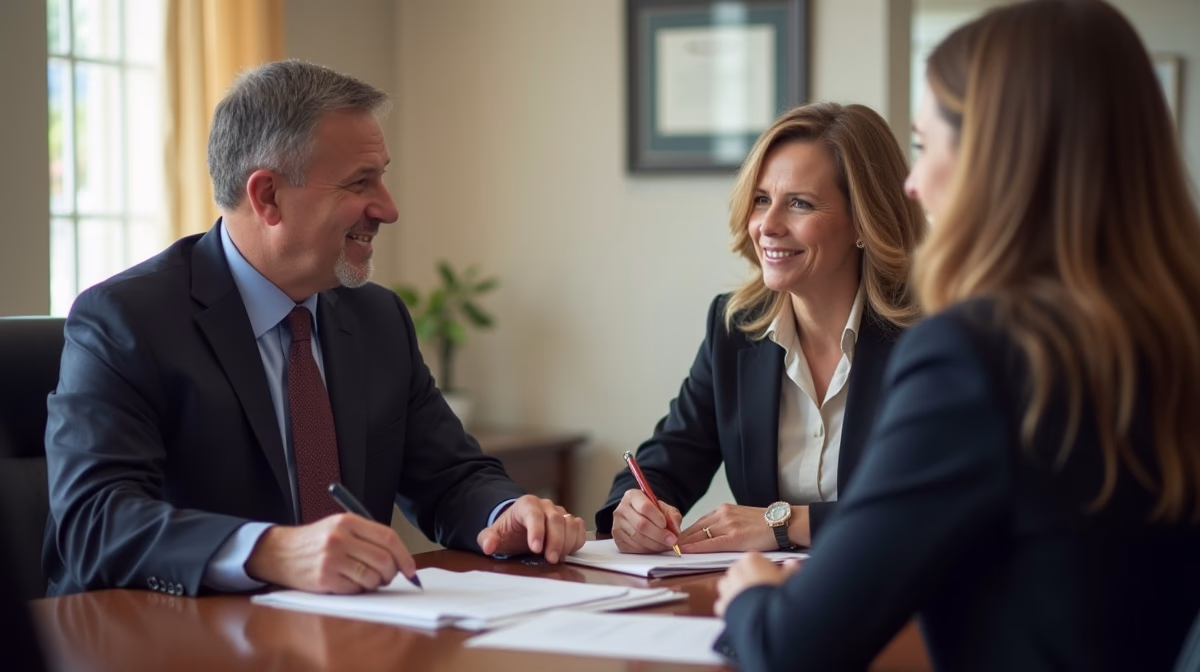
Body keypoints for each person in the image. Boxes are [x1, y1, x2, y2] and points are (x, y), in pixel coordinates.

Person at [713, 2, 1200, 670]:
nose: (911, 185)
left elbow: (791, 649)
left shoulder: (980, 355)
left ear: (996, 158)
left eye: (922, 146)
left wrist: (752, 596)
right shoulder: (1166, 336)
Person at [42, 59, 585, 597]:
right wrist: (271, 550)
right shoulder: (125, 321)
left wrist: (508, 511)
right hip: (171, 641)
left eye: (383, 177)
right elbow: (95, 520)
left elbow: (451, 475)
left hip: (345, 638)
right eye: (359, 183)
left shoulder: (378, 319)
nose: (389, 209)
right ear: (268, 196)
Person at [595, 102, 925, 553]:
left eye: (800, 204)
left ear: (863, 223)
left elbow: (928, 506)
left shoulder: (928, 336)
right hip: (768, 595)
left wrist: (786, 523)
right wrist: (634, 509)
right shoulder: (735, 328)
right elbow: (668, 460)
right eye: (762, 200)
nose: (767, 226)